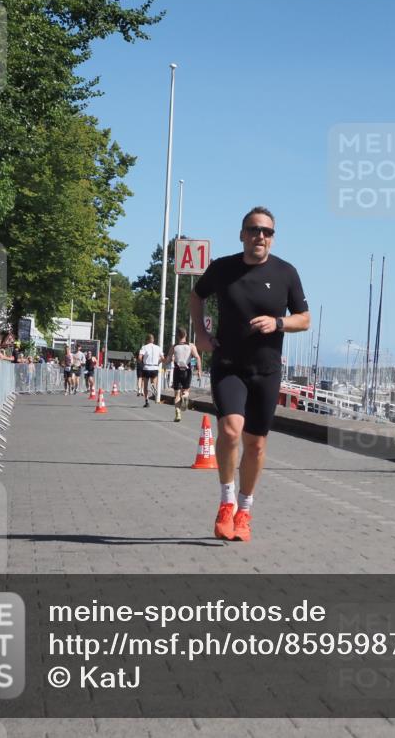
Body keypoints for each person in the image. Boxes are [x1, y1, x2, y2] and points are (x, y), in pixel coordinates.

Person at [190, 206, 309, 542]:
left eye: (267, 232)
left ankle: (244, 510)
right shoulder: (222, 268)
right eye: (254, 230)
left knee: (255, 446)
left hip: (266, 370)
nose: (260, 236)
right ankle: (226, 503)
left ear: (272, 238)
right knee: (230, 431)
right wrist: (200, 333)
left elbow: (305, 318)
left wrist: (279, 322)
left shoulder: (286, 273)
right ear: (242, 234)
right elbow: (196, 297)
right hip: (228, 365)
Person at [166, 327, 203, 422]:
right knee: (186, 390)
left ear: (178, 336)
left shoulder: (174, 347)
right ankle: (185, 396)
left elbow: (168, 360)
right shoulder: (191, 346)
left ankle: (177, 412)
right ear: (186, 335)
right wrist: (199, 370)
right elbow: (197, 358)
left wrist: (162, 360)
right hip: (187, 371)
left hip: (177, 371)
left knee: (176, 393)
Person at [137, 334, 164, 407]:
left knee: (145, 385)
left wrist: (141, 362)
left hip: (146, 367)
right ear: (153, 340)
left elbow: (140, 357)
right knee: (153, 382)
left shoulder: (144, 347)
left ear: (147, 340)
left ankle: (146, 401)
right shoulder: (158, 348)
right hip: (155, 368)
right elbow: (162, 358)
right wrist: (157, 362)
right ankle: (153, 387)